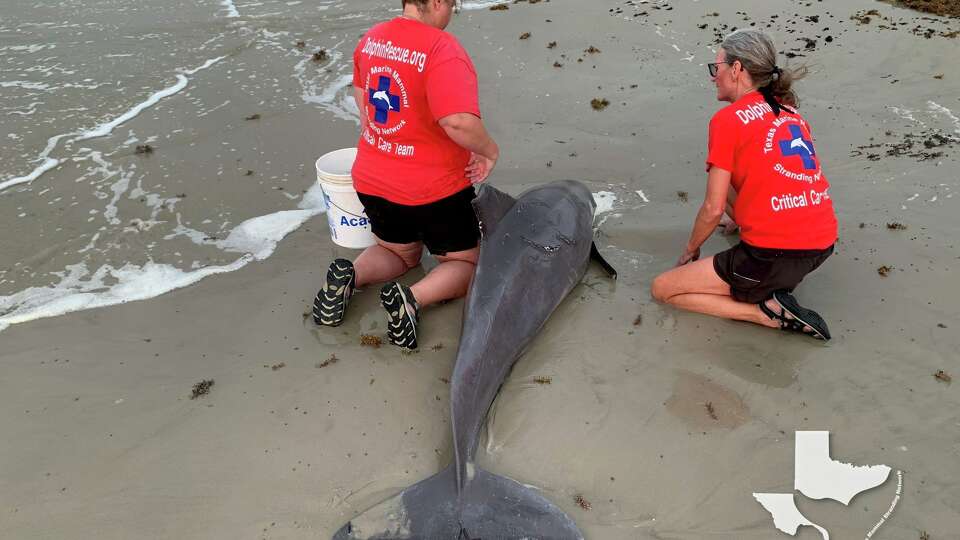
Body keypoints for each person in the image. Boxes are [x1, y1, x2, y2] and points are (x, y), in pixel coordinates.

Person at [313, 0, 499, 350]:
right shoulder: (442, 49)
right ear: (439, 2)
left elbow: (365, 105)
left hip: (372, 180)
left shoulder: (372, 40)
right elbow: (457, 121)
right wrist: (489, 151)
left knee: (399, 253)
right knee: (464, 263)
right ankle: (412, 299)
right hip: (434, 190)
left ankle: (352, 276)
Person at [651, 29, 838, 340]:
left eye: (717, 68)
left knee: (664, 289)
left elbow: (712, 208)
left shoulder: (726, 121)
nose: (714, 77)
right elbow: (777, 176)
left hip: (774, 255)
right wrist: (739, 218)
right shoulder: (791, 113)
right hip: (821, 245)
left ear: (736, 70)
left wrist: (689, 251)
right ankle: (770, 282)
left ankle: (766, 312)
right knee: (736, 180)